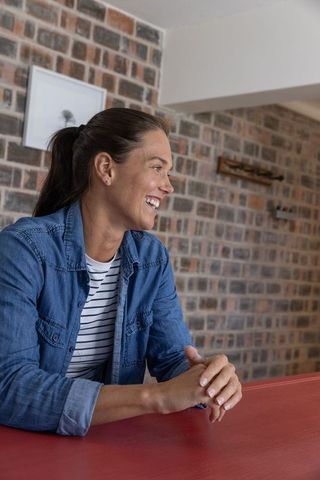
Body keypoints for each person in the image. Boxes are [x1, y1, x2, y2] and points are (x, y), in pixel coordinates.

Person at [0, 108, 242, 436]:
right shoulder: (24, 249)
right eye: (157, 167)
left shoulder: (151, 259)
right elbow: (10, 386)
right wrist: (153, 397)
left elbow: (172, 360)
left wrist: (206, 378)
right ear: (106, 169)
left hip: (99, 447)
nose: (168, 186)